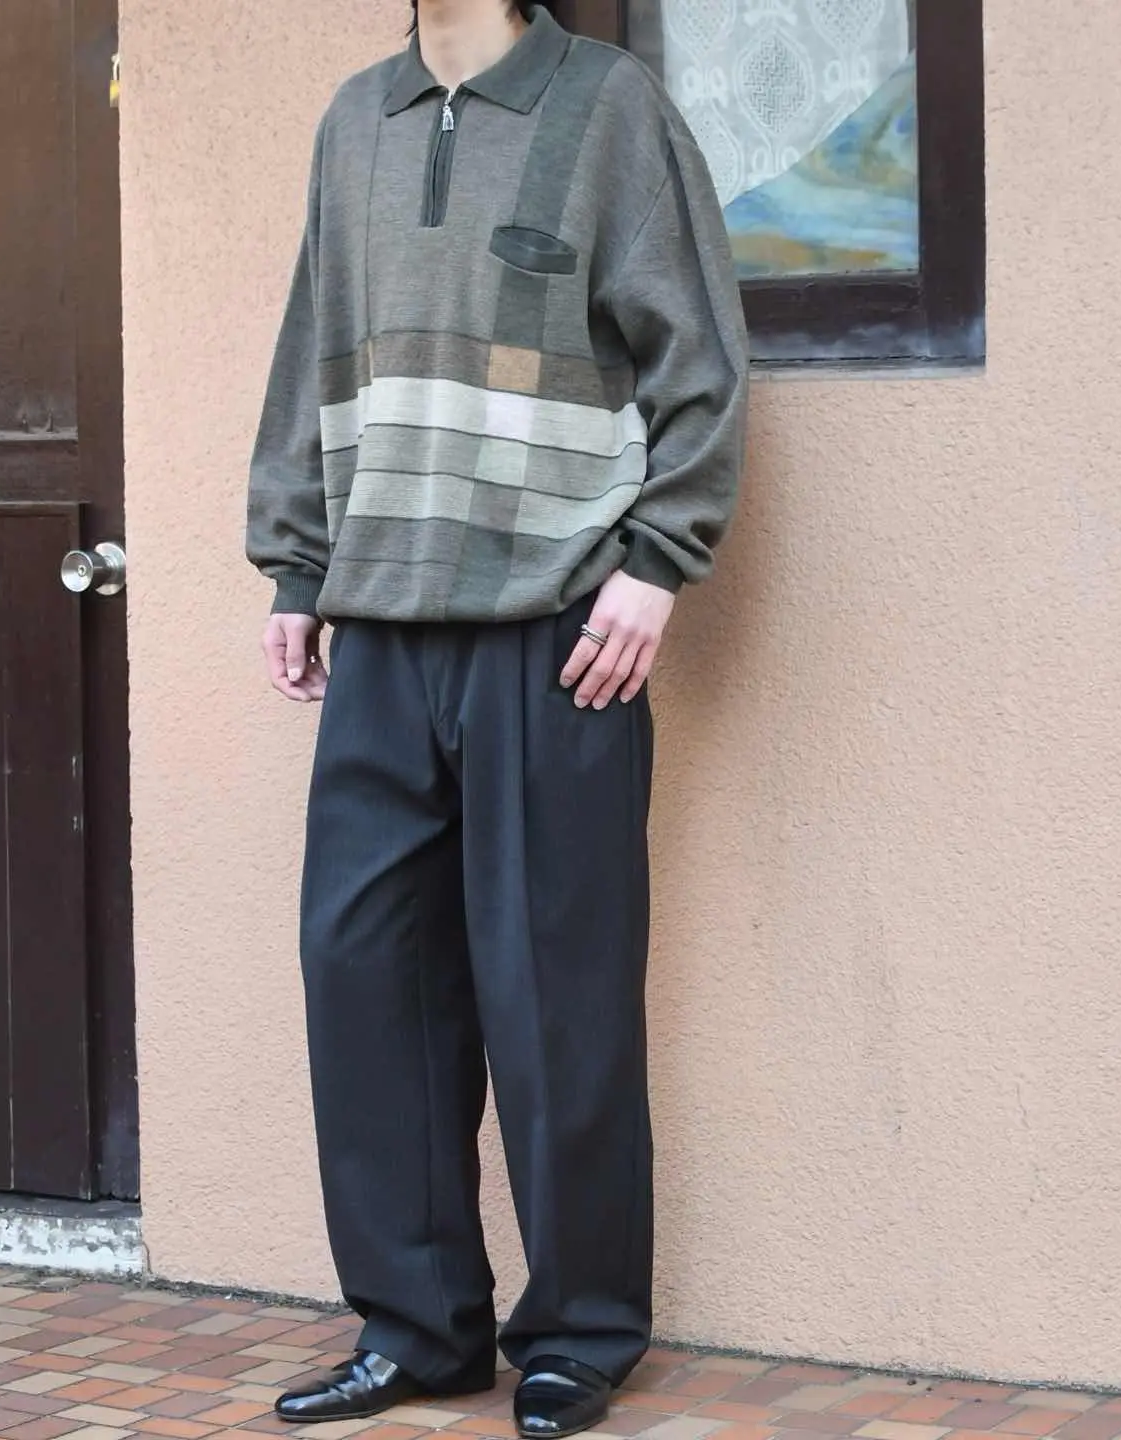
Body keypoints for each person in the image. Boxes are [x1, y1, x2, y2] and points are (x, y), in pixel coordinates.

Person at [246, 0, 748, 1434]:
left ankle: (580, 1332)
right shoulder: (356, 120)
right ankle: (417, 1330)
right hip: (383, 624)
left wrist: (658, 564)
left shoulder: (608, 109)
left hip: (555, 627)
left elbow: (700, 359)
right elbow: (313, 351)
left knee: (554, 995)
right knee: (364, 982)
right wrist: (296, 565)